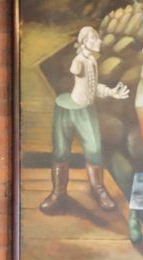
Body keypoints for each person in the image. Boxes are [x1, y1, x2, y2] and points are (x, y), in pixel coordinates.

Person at [39, 26, 130, 214]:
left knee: (95, 149)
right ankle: (58, 192)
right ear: (86, 42)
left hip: (86, 109)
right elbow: (75, 69)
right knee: (61, 150)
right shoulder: (80, 61)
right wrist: (79, 56)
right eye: (95, 39)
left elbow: (92, 86)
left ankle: (98, 189)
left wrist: (111, 92)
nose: (99, 41)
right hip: (68, 109)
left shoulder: (92, 62)